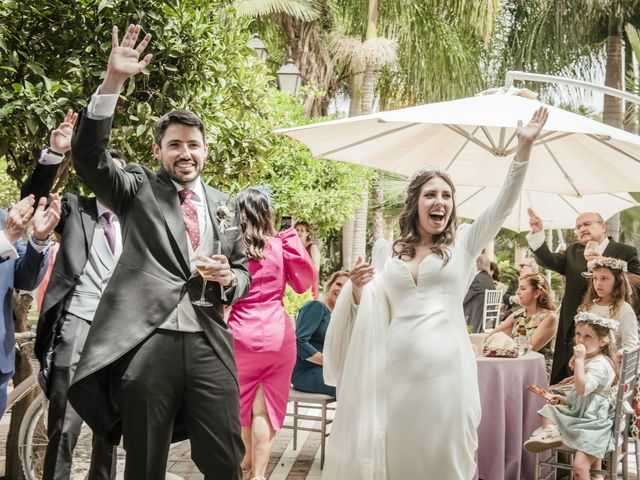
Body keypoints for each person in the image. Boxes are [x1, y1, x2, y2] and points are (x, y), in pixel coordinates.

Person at [322, 106, 549, 479]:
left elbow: (504, 203)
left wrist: (523, 148)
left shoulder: (464, 243)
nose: (440, 201)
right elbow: (374, 309)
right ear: (416, 202)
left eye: (446, 195)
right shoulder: (388, 251)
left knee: (446, 459)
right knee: (398, 459)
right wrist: (359, 291)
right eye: (431, 194)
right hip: (394, 371)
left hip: (447, 373)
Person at [67, 25, 251, 479]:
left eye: (193, 144)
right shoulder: (137, 189)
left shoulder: (227, 205)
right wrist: (112, 83)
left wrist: (231, 279)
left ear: (206, 150)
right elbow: (88, 154)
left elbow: (245, 272)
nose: (185, 153)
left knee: (226, 460)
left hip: (209, 342)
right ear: (159, 150)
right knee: (145, 464)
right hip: (149, 345)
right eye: (175, 145)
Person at [21, 110, 122, 480]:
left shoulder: (139, 218)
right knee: (64, 424)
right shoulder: (76, 209)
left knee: (109, 429)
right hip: (76, 323)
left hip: (119, 331)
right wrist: (55, 153)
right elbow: (31, 199)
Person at [228, 187, 315, 480]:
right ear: (267, 213)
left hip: (240, 335)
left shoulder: (231, 247)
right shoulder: (280, 246)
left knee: (243, 409)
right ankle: (260, 475)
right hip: (277, 335)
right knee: (264, 412)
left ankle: (244, 466)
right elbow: (303, 285)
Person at [528, 209, 640, 384]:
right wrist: (537, 234)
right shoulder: (573, 250)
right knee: (564, 379)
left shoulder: (625, 251)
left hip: (608, 330)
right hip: (571, 328)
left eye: (587, 224)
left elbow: (636, 283)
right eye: (578, 227)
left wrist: (603, 263)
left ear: (603, 227)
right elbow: (548, 260)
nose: (581, 229)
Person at [524, 312, 618, 479]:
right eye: (578, 334)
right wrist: (566, 400)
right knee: (548, 409)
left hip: (594, 421)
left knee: (579, 467)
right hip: (581, 412)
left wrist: (580, 360)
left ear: (604, 340)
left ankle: (553, 432)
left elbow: (583, 390)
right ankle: (551, 432)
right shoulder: (593, 358)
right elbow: (583, 396)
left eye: (588, 336)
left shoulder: (599, 364)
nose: (581, 340)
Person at [0, 193, 60, 415]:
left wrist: (39, 238)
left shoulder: (3, 217)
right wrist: (5, 238)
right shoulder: (7, 227)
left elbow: (26, 278)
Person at [292, 270, 349, 396]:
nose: (340, 289)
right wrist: (330, 363)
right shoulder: (316, 306)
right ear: (329, 286)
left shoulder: (335, 317)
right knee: (351, 386)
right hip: (306, 373)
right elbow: (299, 342)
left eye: (346, 288)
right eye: (338, 284)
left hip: (323, 370)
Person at [491, 273, 558, 376]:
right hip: (515, 364)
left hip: (537, 370)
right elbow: (492, 336)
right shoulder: (518, 314)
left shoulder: (549, 318)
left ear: (536, 293)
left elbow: (528, 349)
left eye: (522, 289)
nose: (517, 292)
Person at [578, 256, 638, 355]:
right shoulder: (589, 305)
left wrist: (609, 359)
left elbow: (631, 345)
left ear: (617, 281)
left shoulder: (623, 309)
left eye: (604, 278)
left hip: (611, 366)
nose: (598, 283)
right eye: (595, 278)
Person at [463, 254, 495, 332]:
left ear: (476, 264)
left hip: (475, 316)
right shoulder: (490, 280)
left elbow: (464, 298)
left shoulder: (477, 279)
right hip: (488, 317)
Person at [295, 221, 320, 299]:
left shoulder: (312, 247)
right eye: (297, 230)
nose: (299, 232)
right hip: (296, 285)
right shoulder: (293, 249)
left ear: (307, 234)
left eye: (302, 230)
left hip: (309, 285)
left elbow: (316, 268)